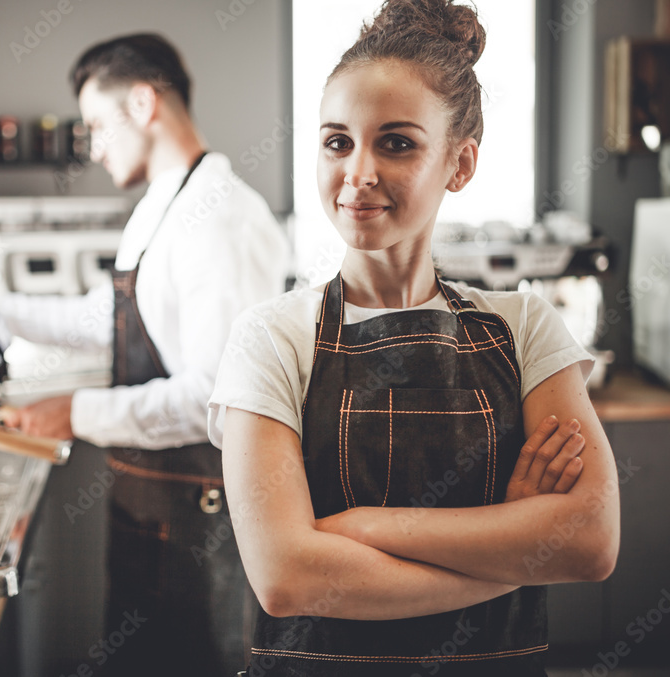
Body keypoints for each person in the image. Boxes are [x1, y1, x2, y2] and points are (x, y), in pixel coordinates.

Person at [208, 1, 620, 675]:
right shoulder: (271, 339)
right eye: (337, 141)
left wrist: (369, 525)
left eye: (396, 142)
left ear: (460, 165)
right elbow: (288, 577)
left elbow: (592, 541)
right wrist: (510, 546)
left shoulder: (524, 327)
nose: (358, 172)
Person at [0, 33, 289, 675]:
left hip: (200, 517)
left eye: (98, 125)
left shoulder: (220, 218)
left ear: (142, 103)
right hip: (151, 510)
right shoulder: (162, 208)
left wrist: (77, 411)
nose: (94, 146)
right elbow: (105, 320)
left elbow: (214, 396)